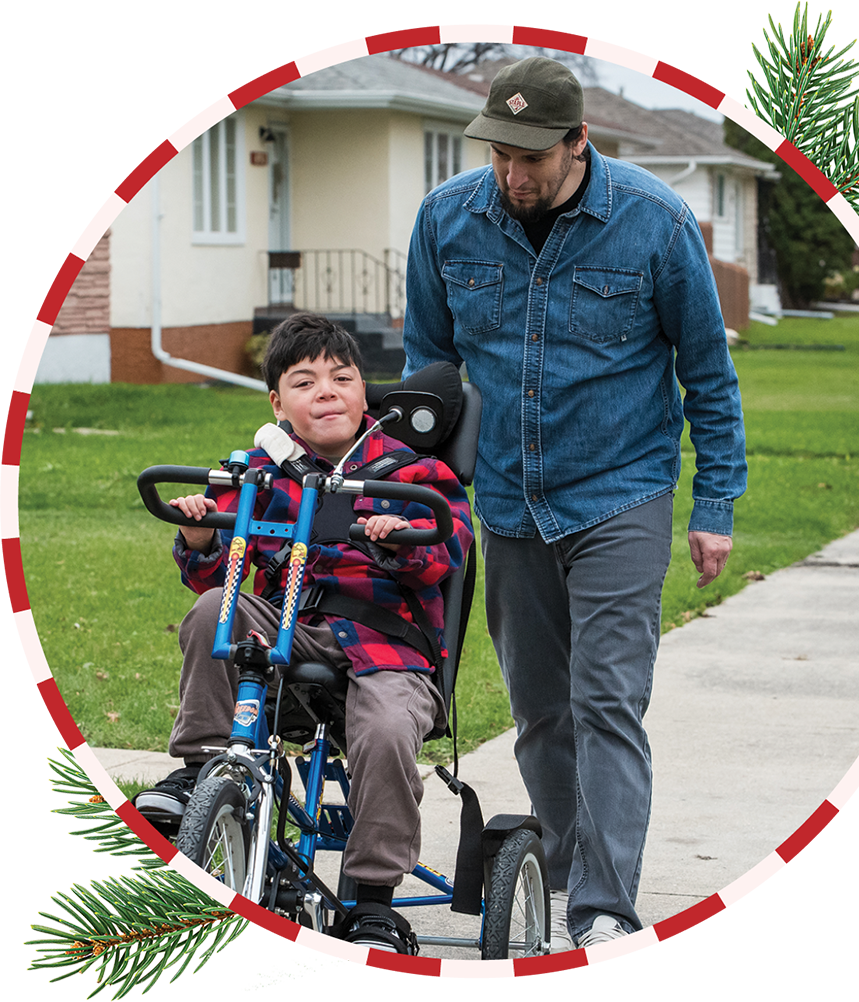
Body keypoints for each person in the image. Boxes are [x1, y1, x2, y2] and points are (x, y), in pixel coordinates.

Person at [402, 57, 747, 951]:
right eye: (499, 157)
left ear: (577, 142)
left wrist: (715, 502)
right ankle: (553, 879)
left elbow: (707, 373)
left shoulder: (655, 223)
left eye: (531, 158)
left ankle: (603, 910)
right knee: (541, 714)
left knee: (605, 706)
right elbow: (428, 374)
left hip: (620, 494)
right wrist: (417, 489)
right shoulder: (446, 220)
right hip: (508, 502)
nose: (513, 176)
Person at [134, 312, 474, 953]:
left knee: (386, 726)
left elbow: (445, 551)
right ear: (278, 403)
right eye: (305, 381)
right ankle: (203, 770)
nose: (327, 391)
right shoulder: (263, 472)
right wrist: (201, 535)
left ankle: (374, 902)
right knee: (214, 610)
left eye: (343, 378)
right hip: (293, 630)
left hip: (388, 652)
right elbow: (221, 569)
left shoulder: (413, 474)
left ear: (363, 391)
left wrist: (400, 539)